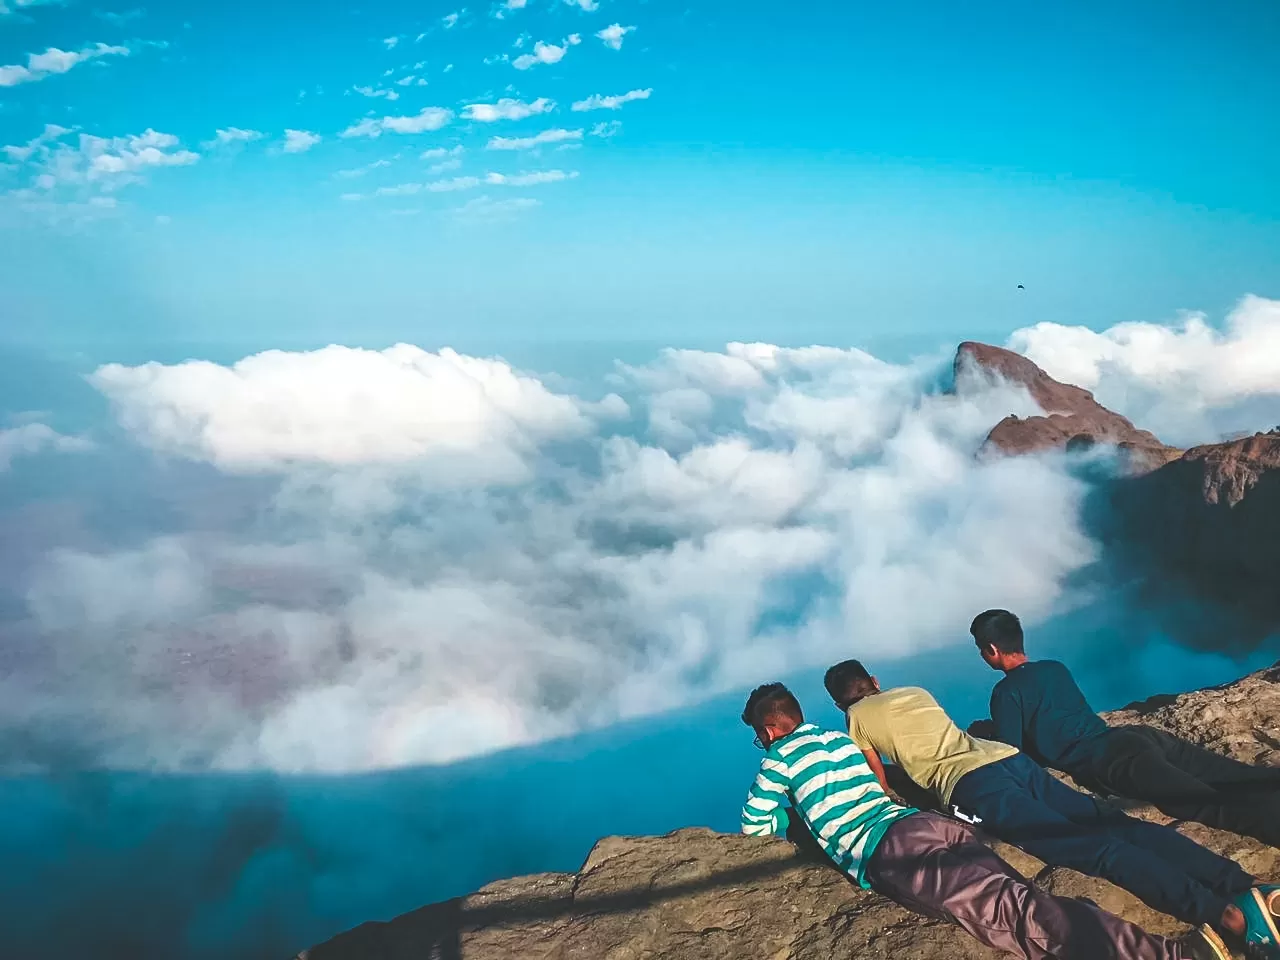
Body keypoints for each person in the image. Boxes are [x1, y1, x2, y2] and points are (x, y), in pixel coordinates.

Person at [822, 660, 1280, 960]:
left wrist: (889, 793)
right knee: (1113, 824)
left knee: (1090, 850)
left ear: (841, 700)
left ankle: (1222, 915)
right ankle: (1247, 888)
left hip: (972, 786)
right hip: (1003, 757)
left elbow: (876, 770)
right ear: (876, 681)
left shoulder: (857, 718)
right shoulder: (915, 691)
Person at [970, 608, 1280, 855]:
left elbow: (1012, 755)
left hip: (1113, 761)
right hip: (1137, 737)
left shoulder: (1006, 692)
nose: (982, 657)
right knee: (1239, 776)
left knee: (1208, 805)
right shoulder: (1054, 668)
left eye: (981, 650)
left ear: (993, 649)